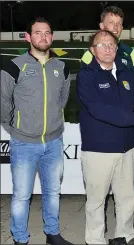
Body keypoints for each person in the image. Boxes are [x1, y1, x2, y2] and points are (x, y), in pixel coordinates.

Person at [0, 17, 72, 245]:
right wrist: (16, 127)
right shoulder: (13, 65)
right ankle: (20, 238)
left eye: (47, 32)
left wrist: (52, 122)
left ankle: (52, 233)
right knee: (22, 196)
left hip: (53, 142)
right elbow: (4, 102)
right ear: (28, 37)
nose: (43, 37)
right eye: (38, 33)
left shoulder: (61, 66)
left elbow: (62, 99)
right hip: (24, 143)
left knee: (53, 192)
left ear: (52, 36)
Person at [80, 5, 134, 234]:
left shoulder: (126, 72)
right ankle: (95, 240)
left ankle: (124, 236)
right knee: (96, 202)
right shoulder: (87, 75)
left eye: (111, 45)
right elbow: (99, 109)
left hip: (126, 148)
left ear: (117, 47)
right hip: (99, 150)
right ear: (93, 49)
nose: (108, 49)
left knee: (127, 198)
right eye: (102, 45)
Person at [81, 6, 134, 83]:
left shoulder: (132, 55)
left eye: (119, 23)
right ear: (102, 26)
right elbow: (85, 89)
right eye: (111, 22)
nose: (115, 27)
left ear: (122, 27)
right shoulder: (89, 56)